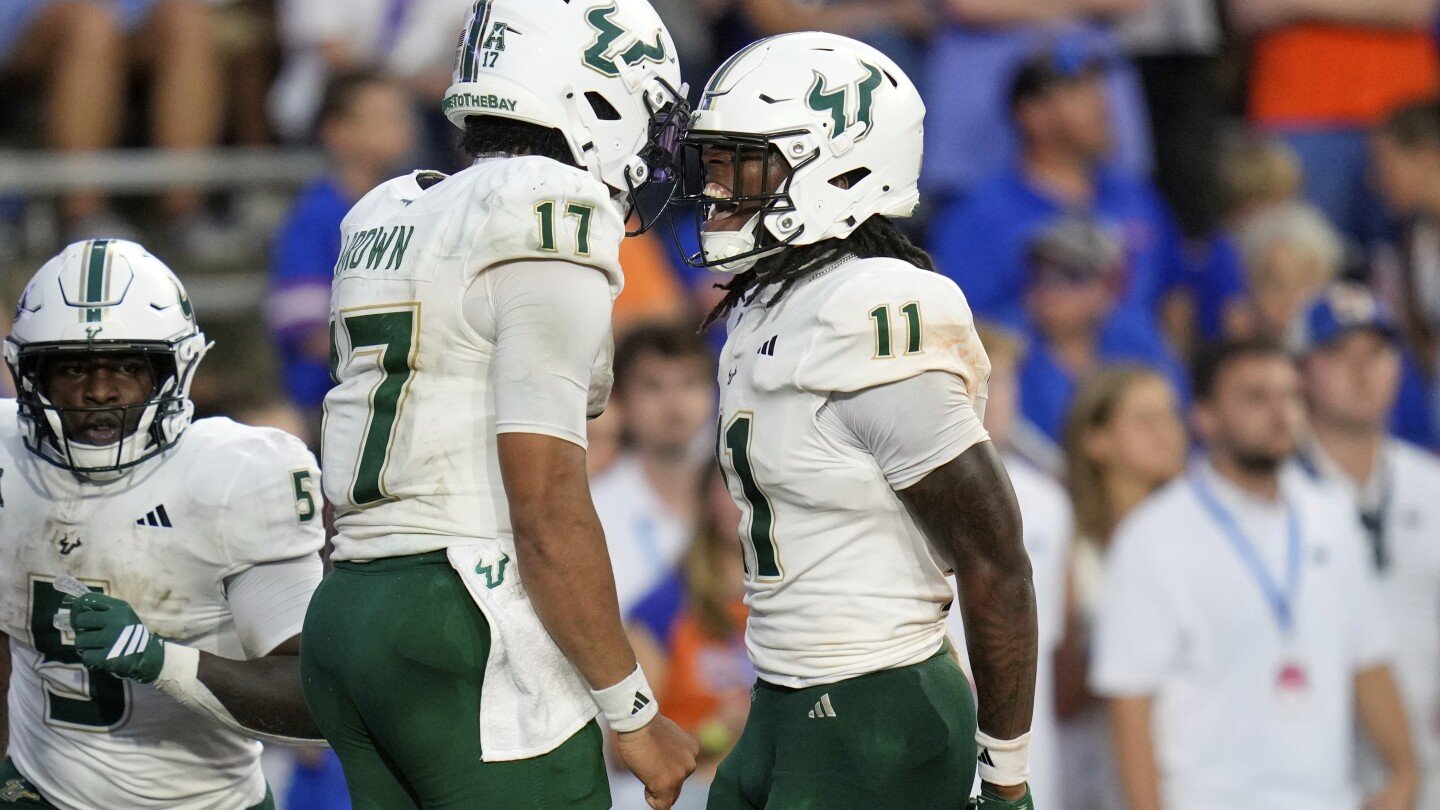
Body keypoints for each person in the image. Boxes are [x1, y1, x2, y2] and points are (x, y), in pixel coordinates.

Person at [300, 0, 699, 807]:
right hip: (465, 610)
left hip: (349, 605)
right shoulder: (552, 208)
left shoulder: (389, 207)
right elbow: (545, 504)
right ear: (589, 94)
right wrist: (634, 712)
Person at [673, 32, 1038, 808]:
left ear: (838, 168)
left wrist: (1007, 780)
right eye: (715, 163)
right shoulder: (765, 303)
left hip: (876, 707)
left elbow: (995, 554)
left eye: (745, 165)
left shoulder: (873, 304)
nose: (718, 188)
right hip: (782, 694)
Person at [0, 239, 326, 808]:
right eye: (72, 367)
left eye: (128, 366)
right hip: (38, 790)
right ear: (30, 374)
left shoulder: (235, 476)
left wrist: (161, 660)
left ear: (174, 370)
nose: (99, 390)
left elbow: (319, 702)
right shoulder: (8, 459)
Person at [1091, 339, 1419, 810]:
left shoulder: (1332, 516)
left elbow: (1369, 656)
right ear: (1204, 416)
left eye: (1290, 395)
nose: (1280, 413)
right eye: (1255, 398)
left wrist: (1404, 775)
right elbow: (1130, 708)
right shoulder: (1152, 537)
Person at [929, 46, 1242, 353]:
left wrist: (1172, 370)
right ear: (1033, 114)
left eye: (1098, 89)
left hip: (1144, 373)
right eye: (1078, 92)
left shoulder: (1136, 196)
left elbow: (1175, 297)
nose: (1101, 105)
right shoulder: (978, 217)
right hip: (1038, 380)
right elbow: (965, 327)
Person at [1291, 284, 1440, 807]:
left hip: (1427, 756)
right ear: (1301, 371)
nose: (1362, 372)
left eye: (1376, 353)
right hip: (1306, 763)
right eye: (1338, 354)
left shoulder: (1431, 486)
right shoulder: (1272, 495)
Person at [946, 324, 1074, 807]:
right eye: (979, 381)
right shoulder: (903, 494)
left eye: (1004, 381)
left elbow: (1053, 644)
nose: (993, 399)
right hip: (942, 744)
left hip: (1034, 757)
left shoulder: (1051, 501)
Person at [1054, 366, 1187, 810]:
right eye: (1146, 420)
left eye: (1171, 416)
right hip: (1097, 776)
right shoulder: (1070, 545)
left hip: (1198, 768)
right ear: (1097, 441)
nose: (1168, 433)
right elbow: (1060, 694)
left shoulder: (1205, 537)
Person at [266, 72, 418, 429]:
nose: (399, 126)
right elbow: (305, 331)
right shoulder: (315, 215)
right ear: (338, 132)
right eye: (381, 116)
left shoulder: (420, 205)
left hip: (399, 394)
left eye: (401, 114)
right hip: (327, 405)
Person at [0, 0, 224, 241]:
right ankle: (82, 215)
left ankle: (185, 214)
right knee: (91, 27)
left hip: (128, 20)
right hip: (28, 24)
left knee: (187, 20)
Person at [1231, 0, 1439, 243]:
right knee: (1293, 255)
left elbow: (1416, 8)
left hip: (1405, 117)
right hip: (1298, 117)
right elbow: (1251, 9)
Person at [626, 466, 753, 782]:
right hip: (697, 789)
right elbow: (627, 748)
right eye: (731, 486)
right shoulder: (662, 611)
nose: (744, 498)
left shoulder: (806, 605)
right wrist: (717, 732)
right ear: (707, 498)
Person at [1015, 216, 1188, 443]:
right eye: (1040, 273)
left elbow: (1175, 414)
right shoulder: (1009, 349)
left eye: (1071, 275)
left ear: (1108, 286)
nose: (1050, 287)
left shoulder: (1136, 340)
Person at [591, 322, 717, 616]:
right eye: (653, 386)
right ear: (620, 400)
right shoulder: (595, 509)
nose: (675, 405)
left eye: (690, 383)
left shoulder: (743, 496)